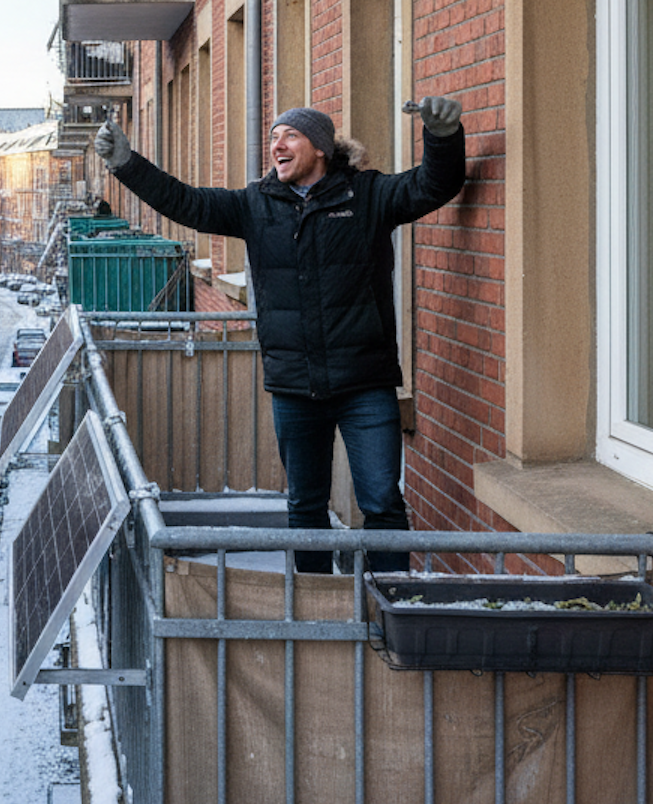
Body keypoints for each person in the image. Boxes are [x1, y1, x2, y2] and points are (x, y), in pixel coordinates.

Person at [94, 99, 465, 572]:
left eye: (289, 135)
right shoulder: (256, 205)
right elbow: (184, 201)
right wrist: (127, 164)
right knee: (305, 509)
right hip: (295, 387)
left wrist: (442, 137)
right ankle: (312, 608)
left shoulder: (367, 196)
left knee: (382, 503)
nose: (277, 144)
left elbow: (433, 185)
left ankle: (387, 602)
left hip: (365, 385)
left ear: (322, 148)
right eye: (273, 136)